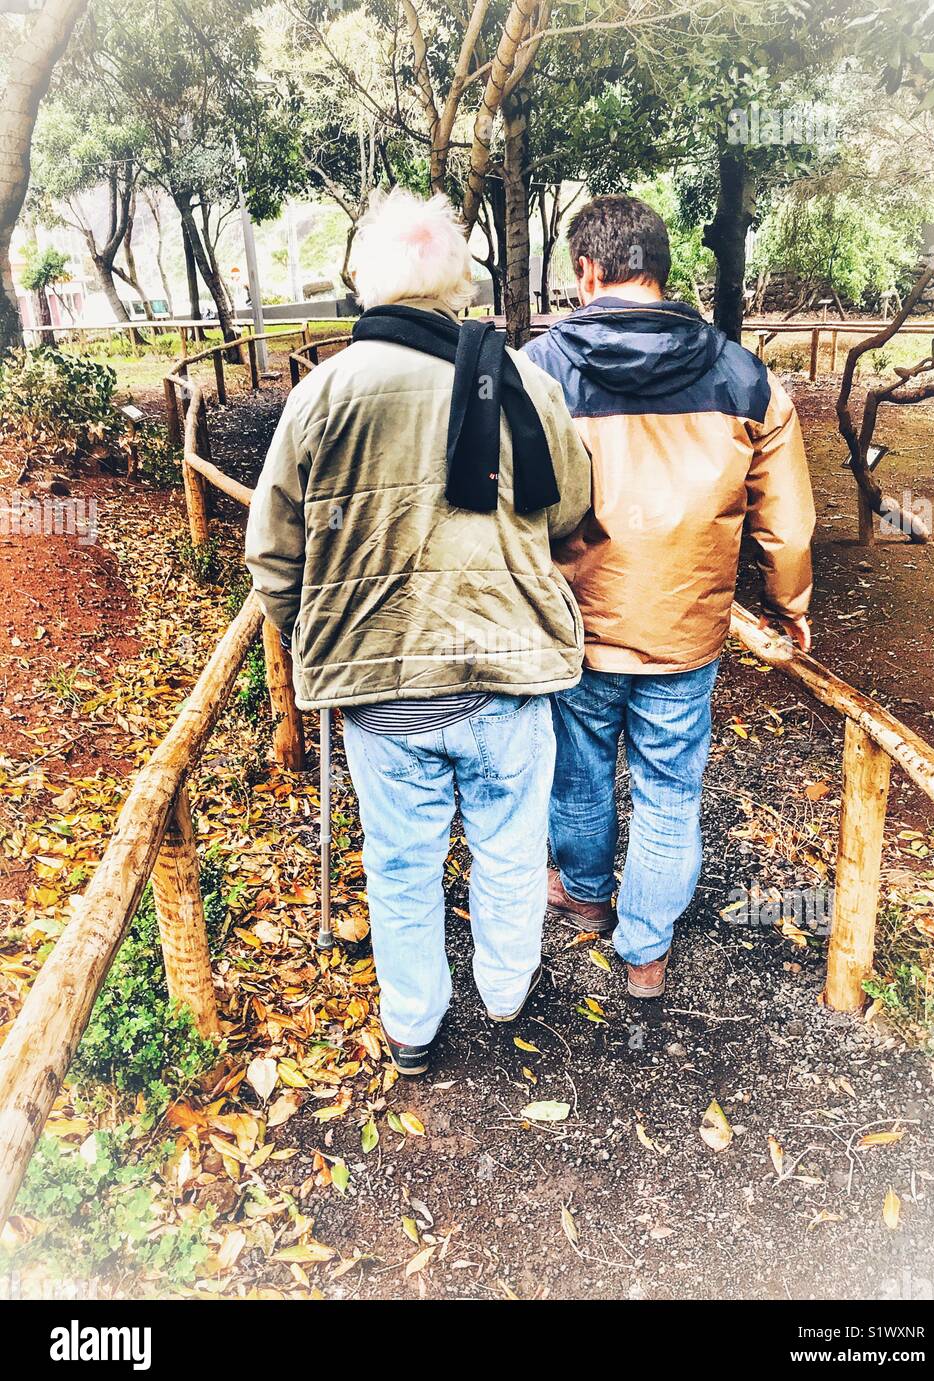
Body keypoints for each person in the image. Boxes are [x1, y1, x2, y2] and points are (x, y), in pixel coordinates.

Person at [245, 190, 591, 1074]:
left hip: (381, 691)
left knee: (399, 864)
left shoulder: (320, 396)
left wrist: (326, 633)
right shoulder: (528, 384)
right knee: (510, 847)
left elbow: (274, 560)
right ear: (460, 287)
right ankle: (507, 990)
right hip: (506, 674)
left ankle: (411, 1024)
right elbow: (574, 515)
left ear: (366, 282)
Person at [522, 193, 815, 1000]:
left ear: (586, 270)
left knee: (577, 772)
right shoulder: (741, 373)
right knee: (668, 789)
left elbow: (499, 498)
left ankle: (583, 896)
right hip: (686, 630)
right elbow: (785, 526)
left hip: (575, 622)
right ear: (661, 269)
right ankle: (644, 951)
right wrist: (789, 607)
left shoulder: (538, 370)